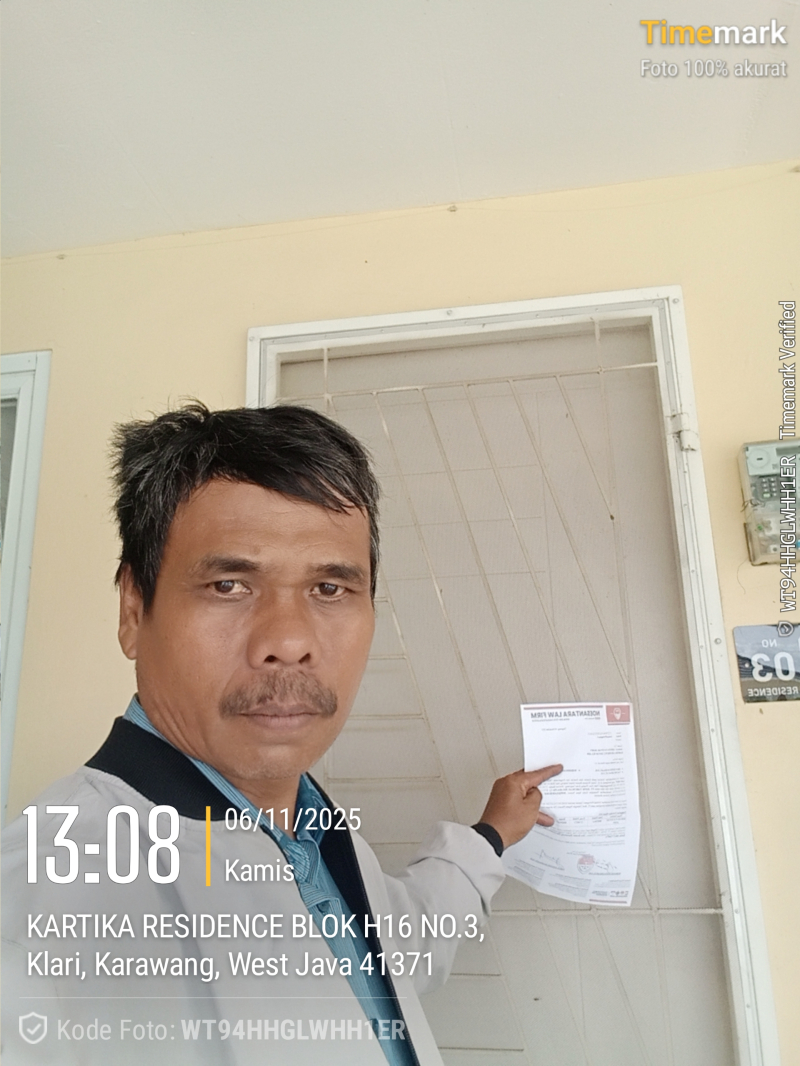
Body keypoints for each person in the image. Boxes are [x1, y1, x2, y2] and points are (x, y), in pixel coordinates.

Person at [2, 403, 561, 1065]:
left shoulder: (313, 832)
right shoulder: (41, 905)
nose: (290, 641)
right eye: (229, 584)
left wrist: (491, 836)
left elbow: (400, 948)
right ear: (133, 609)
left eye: (329, 588)